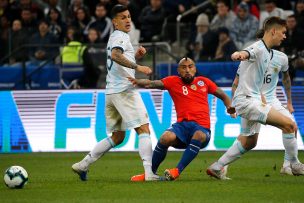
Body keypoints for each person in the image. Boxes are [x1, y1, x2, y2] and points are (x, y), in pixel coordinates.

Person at [206, 16, 303, 180]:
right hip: (248, 101)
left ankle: (217, 167)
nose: (285, 36)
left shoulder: (270, 53)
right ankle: (294, 164)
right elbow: (247, 53)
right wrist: (238, 54)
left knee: (250, 141)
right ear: (273, 31)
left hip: (253, 99)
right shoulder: (257, 48)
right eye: (283, 32)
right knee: (289, 125)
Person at [72, 4, 161, 181]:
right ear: (115, 22)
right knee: (143, 128)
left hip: (111, 92)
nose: (127, 20)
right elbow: (115, 56)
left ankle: (83, 164)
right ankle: (149, 173)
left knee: (118, 136)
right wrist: (138, 66)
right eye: (122, 17)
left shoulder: (115, 36)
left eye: (128, 16)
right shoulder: (120, 36)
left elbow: (119, 59)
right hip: (124, 90)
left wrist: (136, 55)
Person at [129, 57, 236, 181]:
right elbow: (151, 83)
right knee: (165, 137)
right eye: (183, 67)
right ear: (178, 71)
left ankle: (177, 170)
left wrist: (229, 106)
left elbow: (223, 95)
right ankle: (150, 173)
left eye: (190, 67)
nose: (187, 70)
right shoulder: (172, 81)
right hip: (182, 127)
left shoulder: (204, 82)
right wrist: (136, 81)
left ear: (195, 69)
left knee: (199, 134)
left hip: (201, 128)